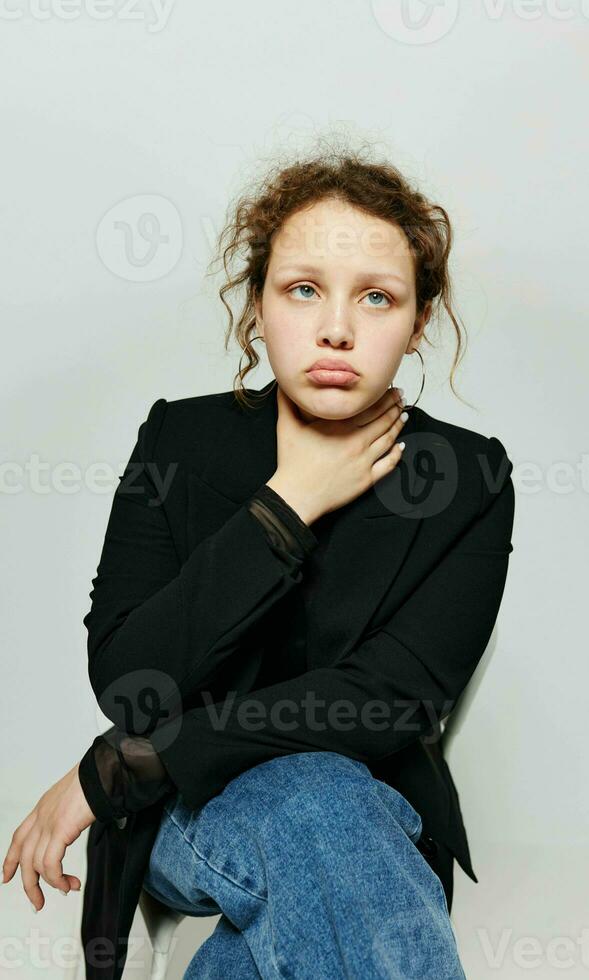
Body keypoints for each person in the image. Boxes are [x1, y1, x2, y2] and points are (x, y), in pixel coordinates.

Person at [2, 146, 515, 979]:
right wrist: (285, 508)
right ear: (256, 305)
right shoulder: (179, 440)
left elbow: (386, 702)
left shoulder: (467, 478)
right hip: (187, 816)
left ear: (419, 321)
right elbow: (132, 676)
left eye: (377, 297)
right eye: (303, 289)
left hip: (373, 816)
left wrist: (136, 758)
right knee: (317, 805)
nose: (337, 328)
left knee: (318, 807)